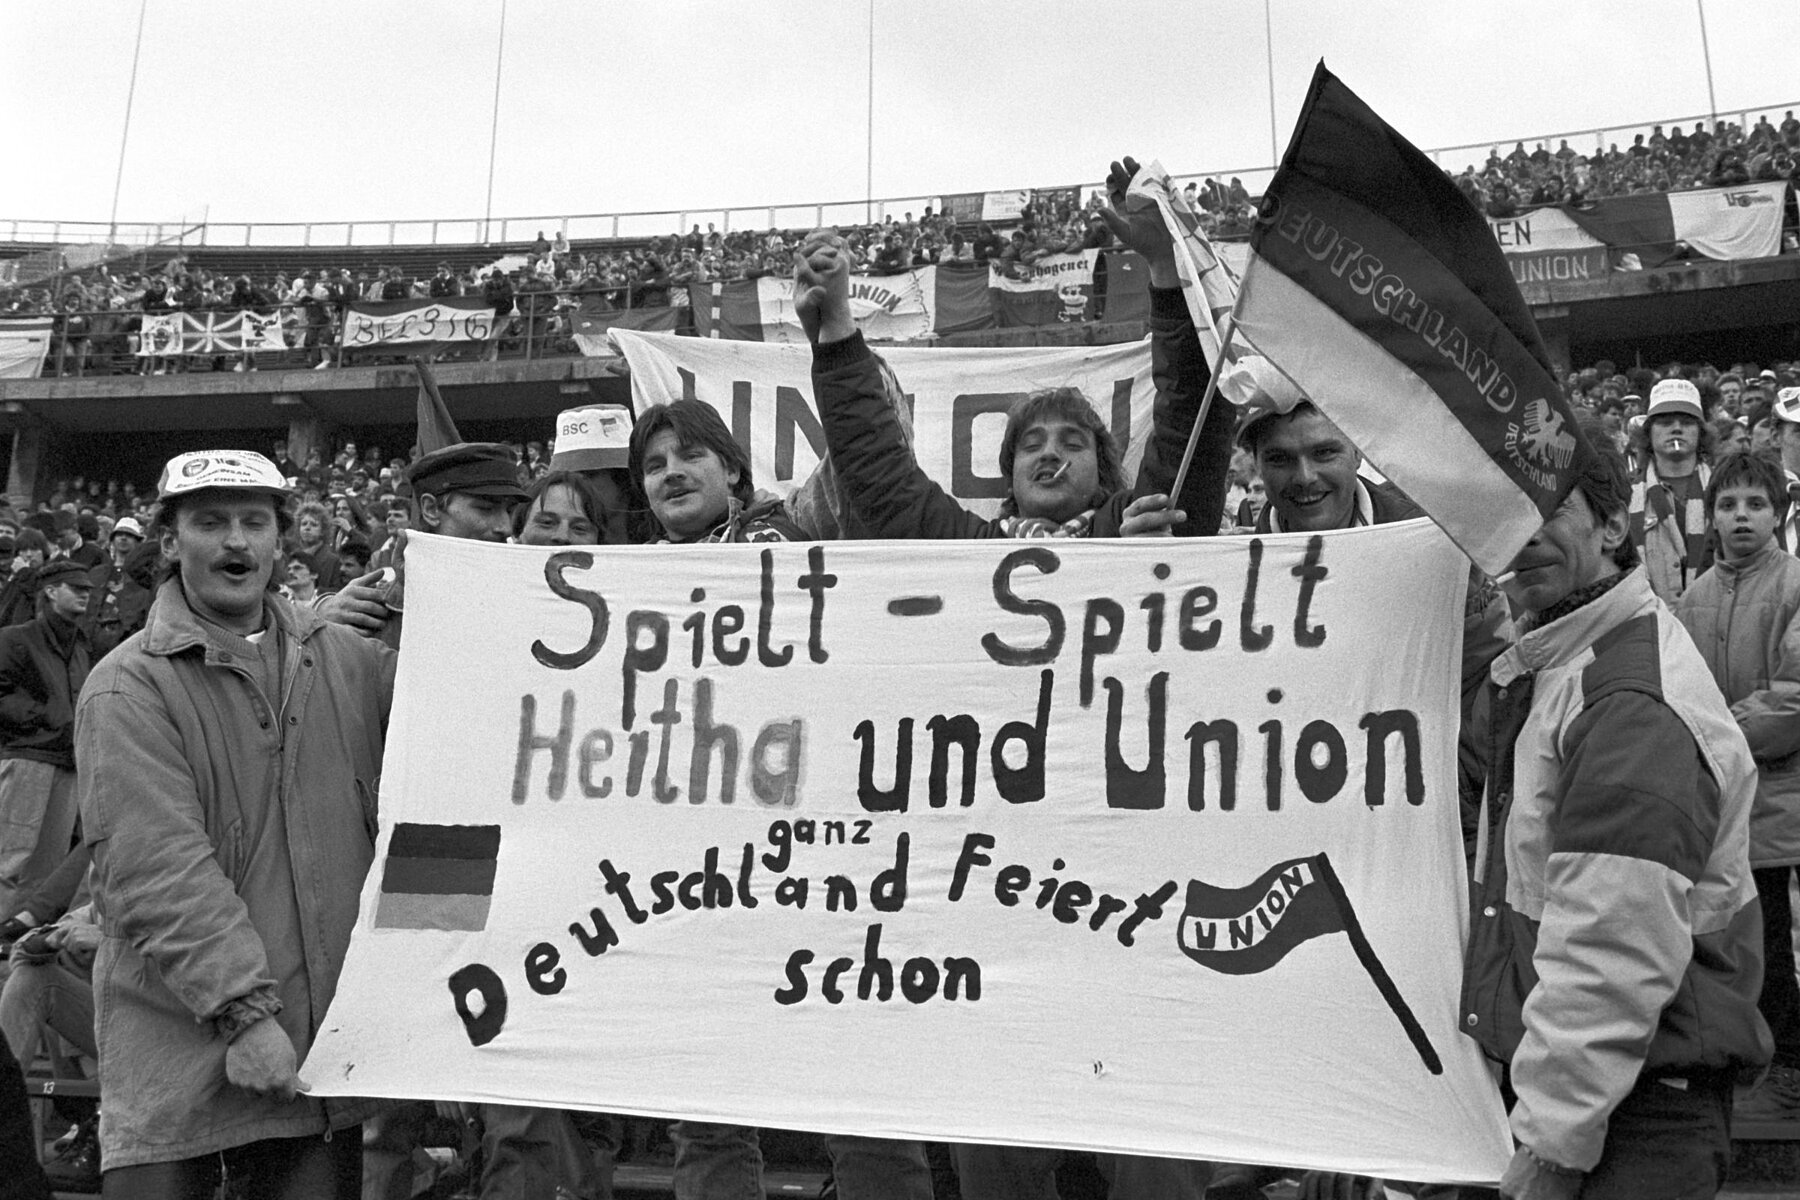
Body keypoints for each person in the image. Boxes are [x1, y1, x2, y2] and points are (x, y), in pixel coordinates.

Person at [794, 155, 1223, 1200]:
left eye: (1074, 440)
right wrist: (837, 340)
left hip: (1141, 918)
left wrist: (1168, 286)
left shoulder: (1153, 534)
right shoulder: (966, 553)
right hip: (1001, 922)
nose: (1049, 452)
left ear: (1107, 470)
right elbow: (884, 487)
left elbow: (1190, 417)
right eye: (1032, 441)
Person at [75, 450, 396, 1197]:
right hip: (182, 1066)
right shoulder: (125, 687)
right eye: (210, 522)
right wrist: (244, 1015)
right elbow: (159, 870)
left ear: (281, 541)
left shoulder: (346, 660)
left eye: (255, 522)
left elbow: (469, 709)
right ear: (169, 541)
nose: (235, 542)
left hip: (311, 1078)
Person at [1466, 439, 1769, 1198]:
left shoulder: (1626, 697)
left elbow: (1611, 950)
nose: (1523, 535)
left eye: (1548, 509)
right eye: (1504, 515)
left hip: (1630, 1122)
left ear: (1610, 527)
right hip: (1608, 1097)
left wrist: (1551, 1147)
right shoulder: (1561, 661)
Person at [1673, 452, 1800, 1120]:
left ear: (1778, 513)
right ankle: (1749, 1056)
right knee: (1737, 938)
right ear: (1712, 515)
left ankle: (1787, 1065)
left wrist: (1716, 731)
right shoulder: (1691, 598)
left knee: (1776, 941)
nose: (1741, 516)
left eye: (1755, 504)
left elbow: (1795, 699)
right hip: (1721, 804)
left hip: (1781, 801)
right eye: (1729, 504)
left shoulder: (1797, 584)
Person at [0, 561, 93, 922]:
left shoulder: (80, 647)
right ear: (51, 592)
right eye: (75, 586)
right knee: (10, 857)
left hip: (66, 763)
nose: (85, 592)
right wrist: (46, 717)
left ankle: (15, 944)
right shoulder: (15, 638)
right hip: (27, 758)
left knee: (47, 867)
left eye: (87, 587)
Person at [1629, 378, 1714, 604]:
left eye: (1686, 422)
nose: (1676, 428)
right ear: (1649, 432)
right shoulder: (1625, 494)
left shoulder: (1725, 488)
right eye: (1665, 422)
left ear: (1700, 431)